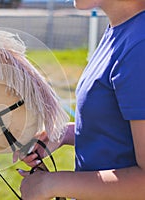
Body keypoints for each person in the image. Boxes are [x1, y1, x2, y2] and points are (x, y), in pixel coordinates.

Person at [13, 0, 145, 199]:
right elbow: (119, 129)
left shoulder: (140, 46)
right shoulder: (121, 29)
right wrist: (65, 134)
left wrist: (51, 184)